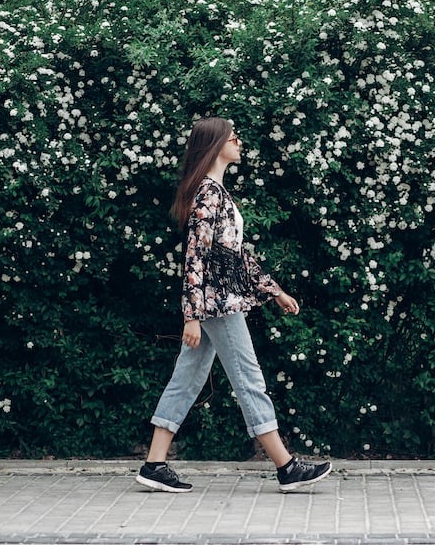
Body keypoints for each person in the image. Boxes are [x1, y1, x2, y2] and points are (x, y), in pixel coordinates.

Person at [135, 117, 332, 493]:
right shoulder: (208, 194)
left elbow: (235, 256)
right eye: (234, 137)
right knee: (249, 378)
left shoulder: (215, 192)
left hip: (215, 301)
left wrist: (273, 290)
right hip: (217, 305)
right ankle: (286, 466)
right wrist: (191, 315)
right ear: (216, 144)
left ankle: (154, 464)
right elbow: (196, 256)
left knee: (187, 378)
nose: (239, 142)